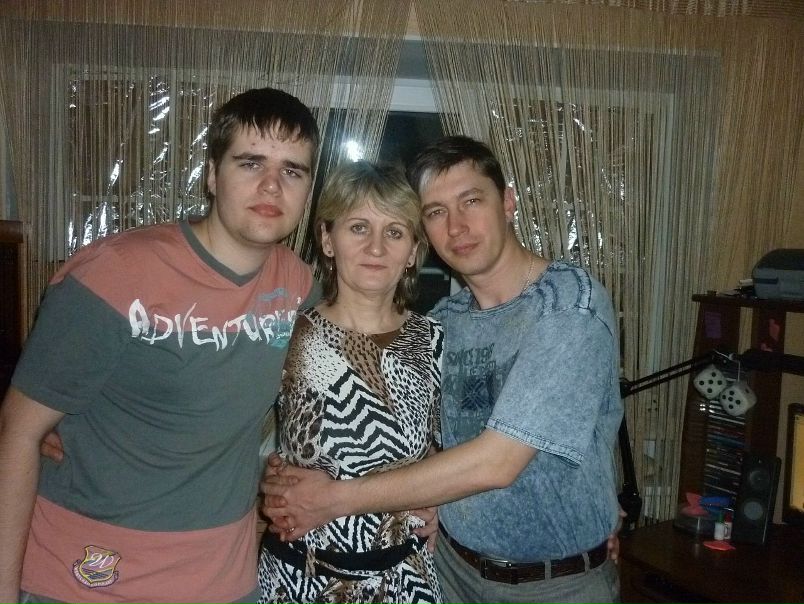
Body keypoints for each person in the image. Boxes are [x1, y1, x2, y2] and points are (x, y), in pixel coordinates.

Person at [262, 135, 624, 604]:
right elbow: (427, 443)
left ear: (508, 202)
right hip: (447, 572)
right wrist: (275, 475)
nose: (457, 226)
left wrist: (331, 498)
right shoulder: (442, 325)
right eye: (436, 212)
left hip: (553, 585)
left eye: (471, 201)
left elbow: (497, 462)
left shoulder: (567, 305)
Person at [0, 87, 322, 604]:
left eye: (292, 171)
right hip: (86, 578)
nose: (271, 185)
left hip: (221, 581)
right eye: (250, 163)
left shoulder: (300, 287)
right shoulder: (114, 273)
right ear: (212, 175)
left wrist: (414, 498)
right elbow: (18, 433)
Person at [256, 160, 443, 604]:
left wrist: (443, 503)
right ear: (327, 239)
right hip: (301, 580)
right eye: (359, 227)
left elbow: (445, 447)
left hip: (408, 581)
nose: (376, 247)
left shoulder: (435, 339)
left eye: (395, 232)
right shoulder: (286, 335)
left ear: (413, 250)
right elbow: (224, 426)